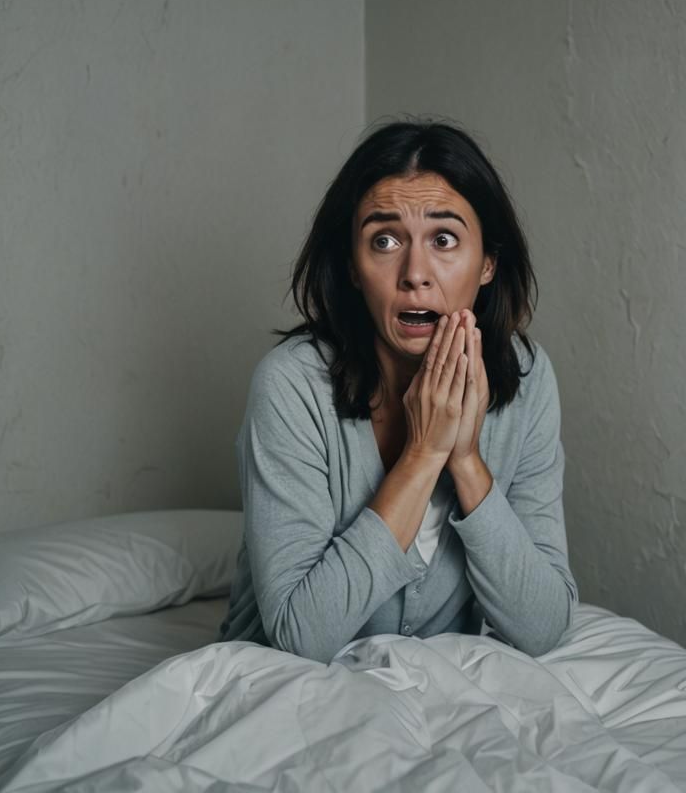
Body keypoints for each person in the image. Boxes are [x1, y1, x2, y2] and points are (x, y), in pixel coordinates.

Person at [218, 119, 578, 662]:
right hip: (278, 691)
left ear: (487, 264)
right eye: (384, 241)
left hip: (430, 700)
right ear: (354, 268)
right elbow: (300, 636)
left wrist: (467, 462)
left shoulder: (527, 379)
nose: (414, 273)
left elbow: (545, 625)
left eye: (444, 239)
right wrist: (424, 453)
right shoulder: (291, 385)